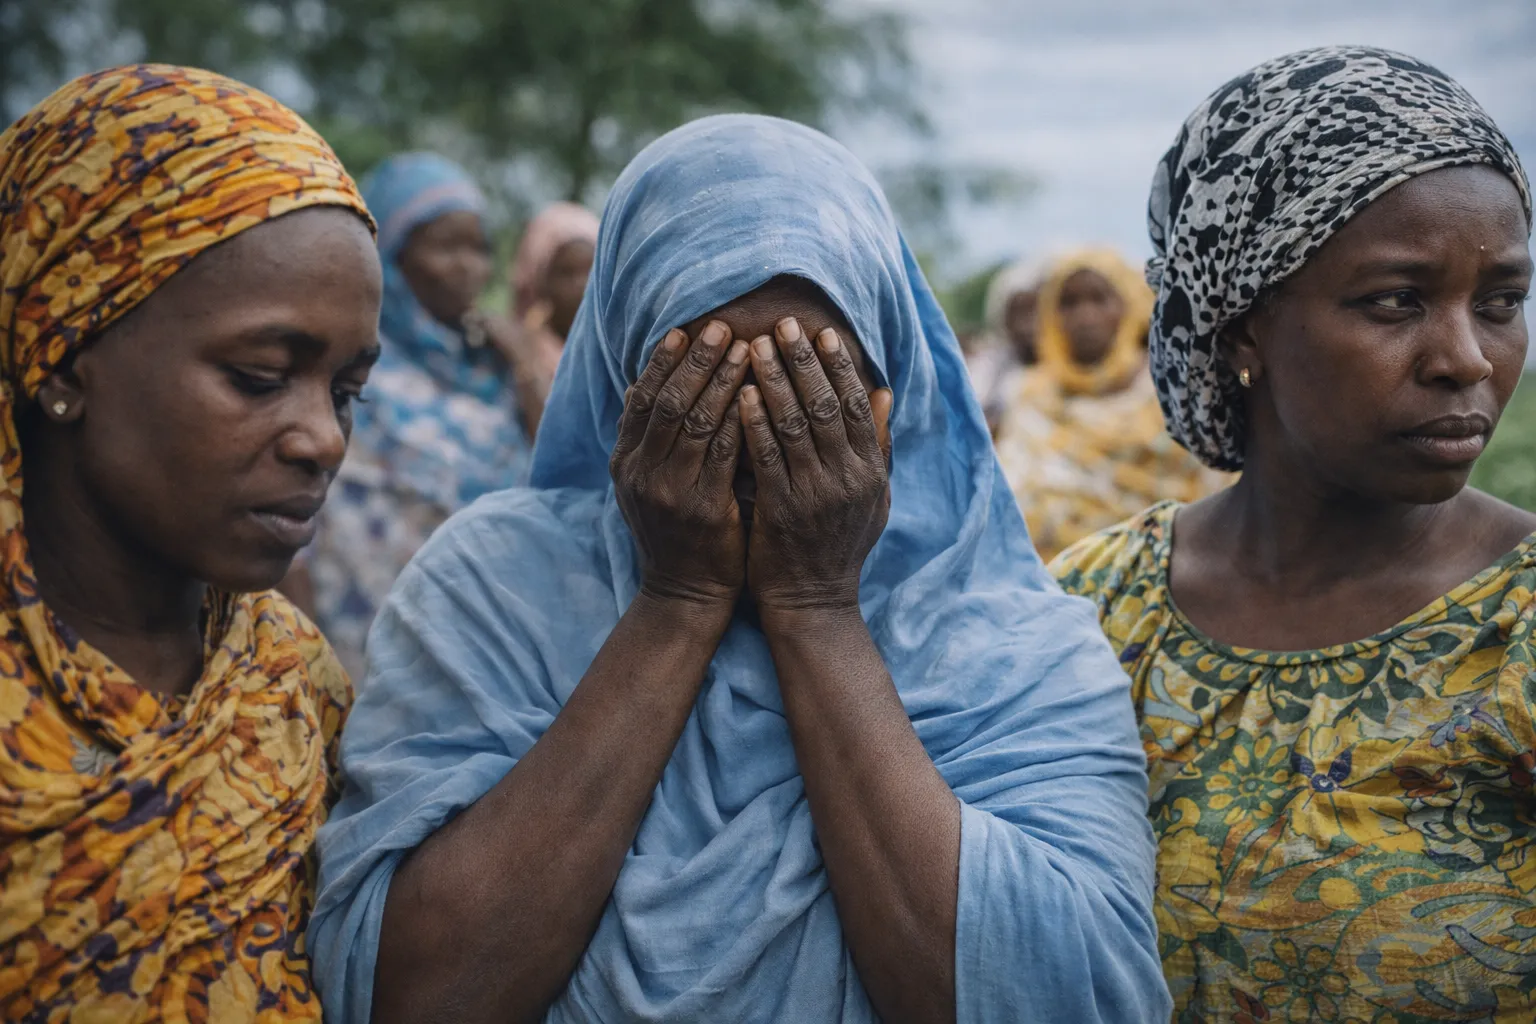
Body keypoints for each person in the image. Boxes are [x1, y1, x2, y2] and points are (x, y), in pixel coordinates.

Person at [309, 114, 1170, 1024]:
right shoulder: (495, 582)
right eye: (702, 394)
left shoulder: (1013, 638)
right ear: (623, 393)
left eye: (812, 391)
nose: (762, 439)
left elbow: (1080, 994)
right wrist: (677, 602)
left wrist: (817, 607)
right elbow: (406, 991)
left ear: (888, 400)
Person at [1052, 46, 1536, 1023]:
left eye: (1502, 302)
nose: (1466, 357)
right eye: (1395, 300)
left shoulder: (1516, 624)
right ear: (1243, 326)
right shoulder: (1093, 613)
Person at [0, 64, 381, 1020]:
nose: (324, 440)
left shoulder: (287, 680)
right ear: (61, 358)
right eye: (260, 376)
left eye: (346, 393)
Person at [293, 154, 545, 679]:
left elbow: (557, 479)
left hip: (487, 641)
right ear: (393, 254)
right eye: (446, 246)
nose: (468, 267)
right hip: (362, 646)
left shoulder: (494, 373)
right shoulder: (351, 372)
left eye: (479, 248)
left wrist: (523, 365)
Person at [993, 248, 1228, 561]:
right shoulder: (1029, 395)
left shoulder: (1172, 391)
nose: (1085, 316)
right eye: (1069, 303)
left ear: (1128, 303)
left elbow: (1211, 491)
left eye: (1099, 299)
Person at [509, 200, 600, 374]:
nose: (582, 285)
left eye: (591, 272)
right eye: (566, 273)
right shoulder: (519, 352)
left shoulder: (616, 354)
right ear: (539, 281)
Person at [965, 257, 1045, 432]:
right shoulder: (988, 365)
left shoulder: (1064, 368)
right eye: (1019, 312)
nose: (1028, 323)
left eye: (1035, 310)